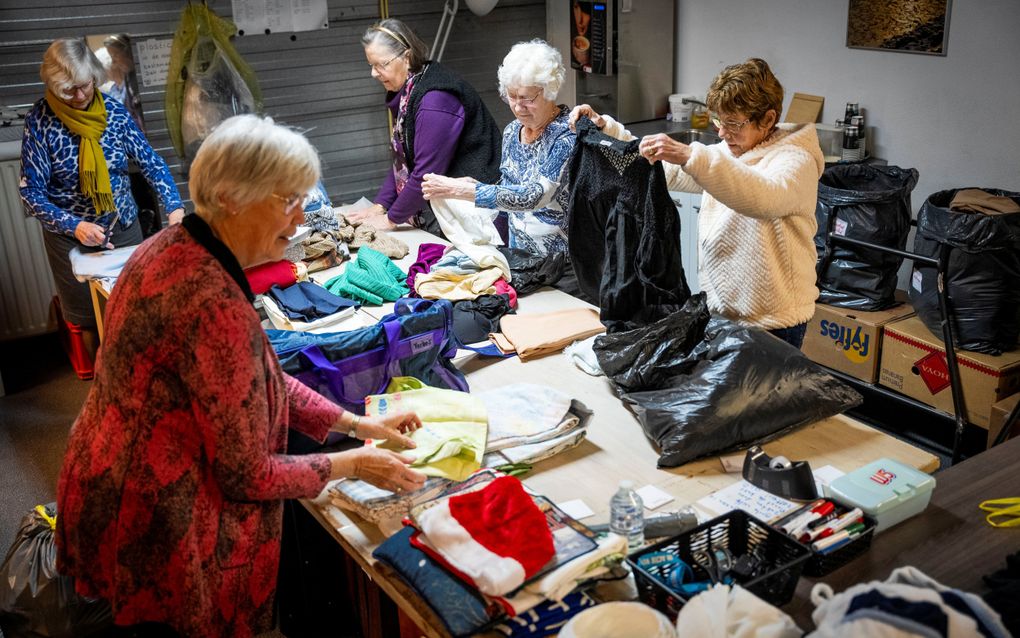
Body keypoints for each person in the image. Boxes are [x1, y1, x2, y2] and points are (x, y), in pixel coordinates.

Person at [55, 114, 428, 637]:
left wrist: (359, 423)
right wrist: (355, 464)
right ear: (231, 196)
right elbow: (247, 474)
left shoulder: (172, 247)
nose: (299, 222)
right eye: (288, 201)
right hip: (158, 516)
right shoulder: (210, 299)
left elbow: (260, 375)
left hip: (116, 482)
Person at [569, 58, 824, 348]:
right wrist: (608, 130)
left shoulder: (795, 160)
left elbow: (762, 197)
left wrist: (691, 155)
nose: (723, 133)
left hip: (775, 322)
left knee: (766, 395)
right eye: (719, 121)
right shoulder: (731, 151)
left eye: (733, 123)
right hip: (721, 312)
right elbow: (668, 172)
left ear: (767, 119)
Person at [19, 38, 185, 370]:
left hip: (122, 226)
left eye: (84, 86)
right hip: (71, 235)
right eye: (68, 91)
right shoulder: (40, 121)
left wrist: (175, 208)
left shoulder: (114, 112)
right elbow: (31, 194)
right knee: (94, 320)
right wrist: (75, 226)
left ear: (94, 75)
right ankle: (110, 386)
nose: (79, 97)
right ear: (53, 86)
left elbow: (151, 164)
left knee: (137, 308)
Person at [420, 39, 579, 288]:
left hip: (563, 268)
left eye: (527, 98)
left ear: (549, 90)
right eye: (511, 96)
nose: (517, 107)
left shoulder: (566, 135)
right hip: (522, 263)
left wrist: (461, 191)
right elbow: (507, 192)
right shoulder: (512, 131)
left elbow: (534, 195)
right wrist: (471, 235)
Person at [350, 19, 501, 235]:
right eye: (371, 65)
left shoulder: (435, 100)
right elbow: (404, 163)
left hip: (474, 211)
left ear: (407, 57)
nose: (374, 73)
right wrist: (381, 205)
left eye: (381, 64)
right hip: (449, 205)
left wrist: (390, 219)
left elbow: (425, 172)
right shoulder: (409, 89)